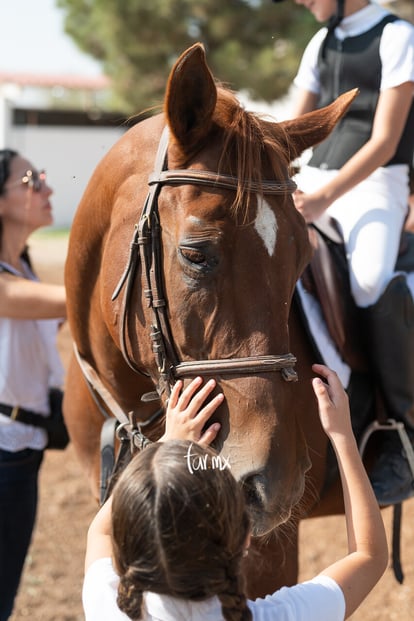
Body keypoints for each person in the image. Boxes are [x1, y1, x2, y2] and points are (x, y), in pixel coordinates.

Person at [82, 365, 388, 621]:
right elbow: (369, 555)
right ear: (244, 538)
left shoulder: (108, 606)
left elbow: (100, 532)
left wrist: (168, 442)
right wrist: (342, 434)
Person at [274, 0, 414, 505]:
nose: (299, 2)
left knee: (371, 279)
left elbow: (384, 140)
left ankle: (402, 432)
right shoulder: (322, 41)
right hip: (314, 177)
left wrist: (324, 199)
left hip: (376, 183)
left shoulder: (397, 36)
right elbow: (294, 127)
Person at [0, 149, 67, 620]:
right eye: (31, 181)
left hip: (22, 450)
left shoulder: (23, 270)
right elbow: (75, 300)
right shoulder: (10, 284)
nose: (47, 190)